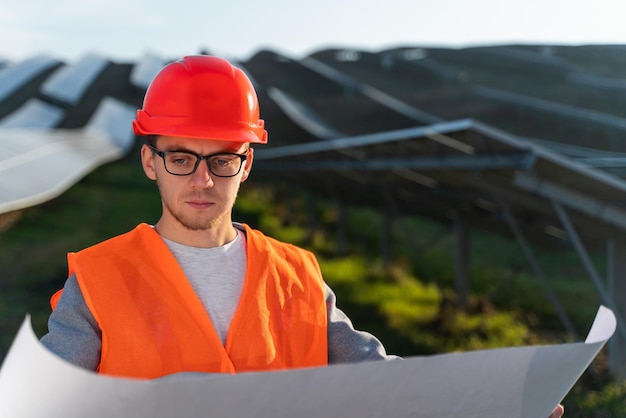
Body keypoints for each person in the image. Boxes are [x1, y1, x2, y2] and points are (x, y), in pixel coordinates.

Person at [40, 55, 564, 418]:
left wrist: (492, 398)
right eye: (181, 158)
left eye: (222, 160)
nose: (203, 180)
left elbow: (379, 382)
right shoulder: (99, 279)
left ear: (246, 165)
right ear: (150, 162)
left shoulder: (296, 274)